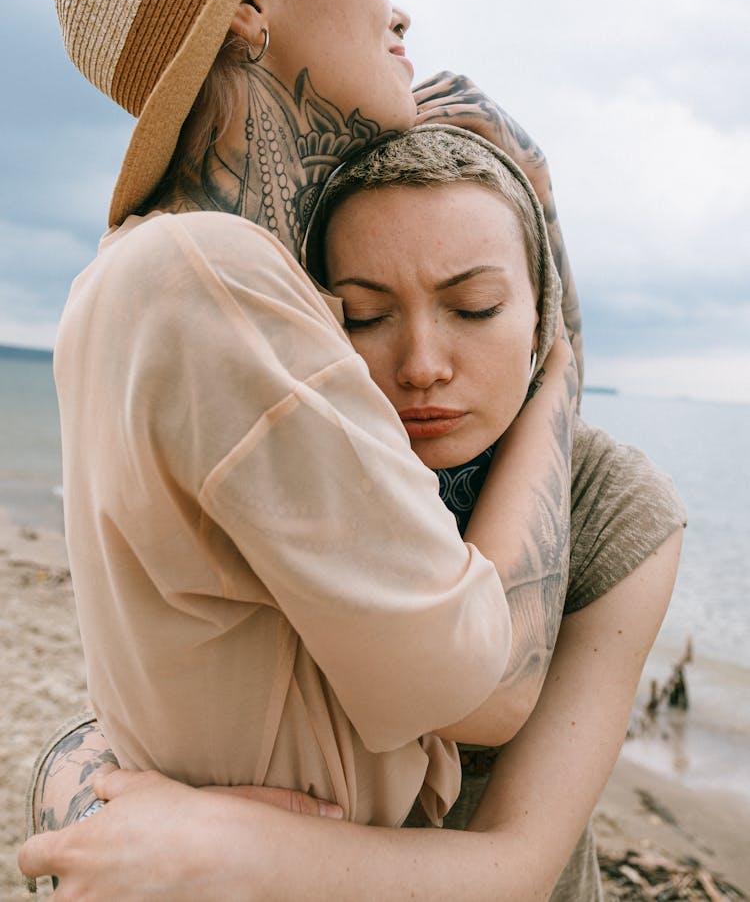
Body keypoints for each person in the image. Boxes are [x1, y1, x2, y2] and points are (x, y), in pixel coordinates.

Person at [18, 0, 684, 895]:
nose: (397, 8)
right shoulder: (208, 276)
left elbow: (183, 650)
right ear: (247, 8)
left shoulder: (158, 280)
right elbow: (486, 683)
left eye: (476, 306)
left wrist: (97, 776)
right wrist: (566, 367)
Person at [21, 126, 684, 900]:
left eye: (474, 308)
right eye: (366, 317)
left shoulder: (614, 505)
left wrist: (236, 846)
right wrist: (72, 788)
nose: (423, 365)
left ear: (541, 321)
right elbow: (128, 709)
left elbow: (518, 869)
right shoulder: (299, 450)